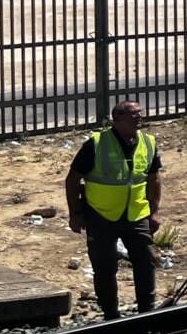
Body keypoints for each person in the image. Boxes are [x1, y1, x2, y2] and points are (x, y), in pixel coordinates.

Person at [63, 101, 163, 319]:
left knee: (146, 262)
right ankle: (111, 315)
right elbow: (72, 180)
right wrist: (75, 214)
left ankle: (147, 311)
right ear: (117, 119)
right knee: (105, 267)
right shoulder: (97, 144)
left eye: (140, 114)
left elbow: (154, 180)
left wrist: (154, 212)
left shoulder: (148, 143)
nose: (139, 118)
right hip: (101, 215)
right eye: (133, 115)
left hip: (136, 214)